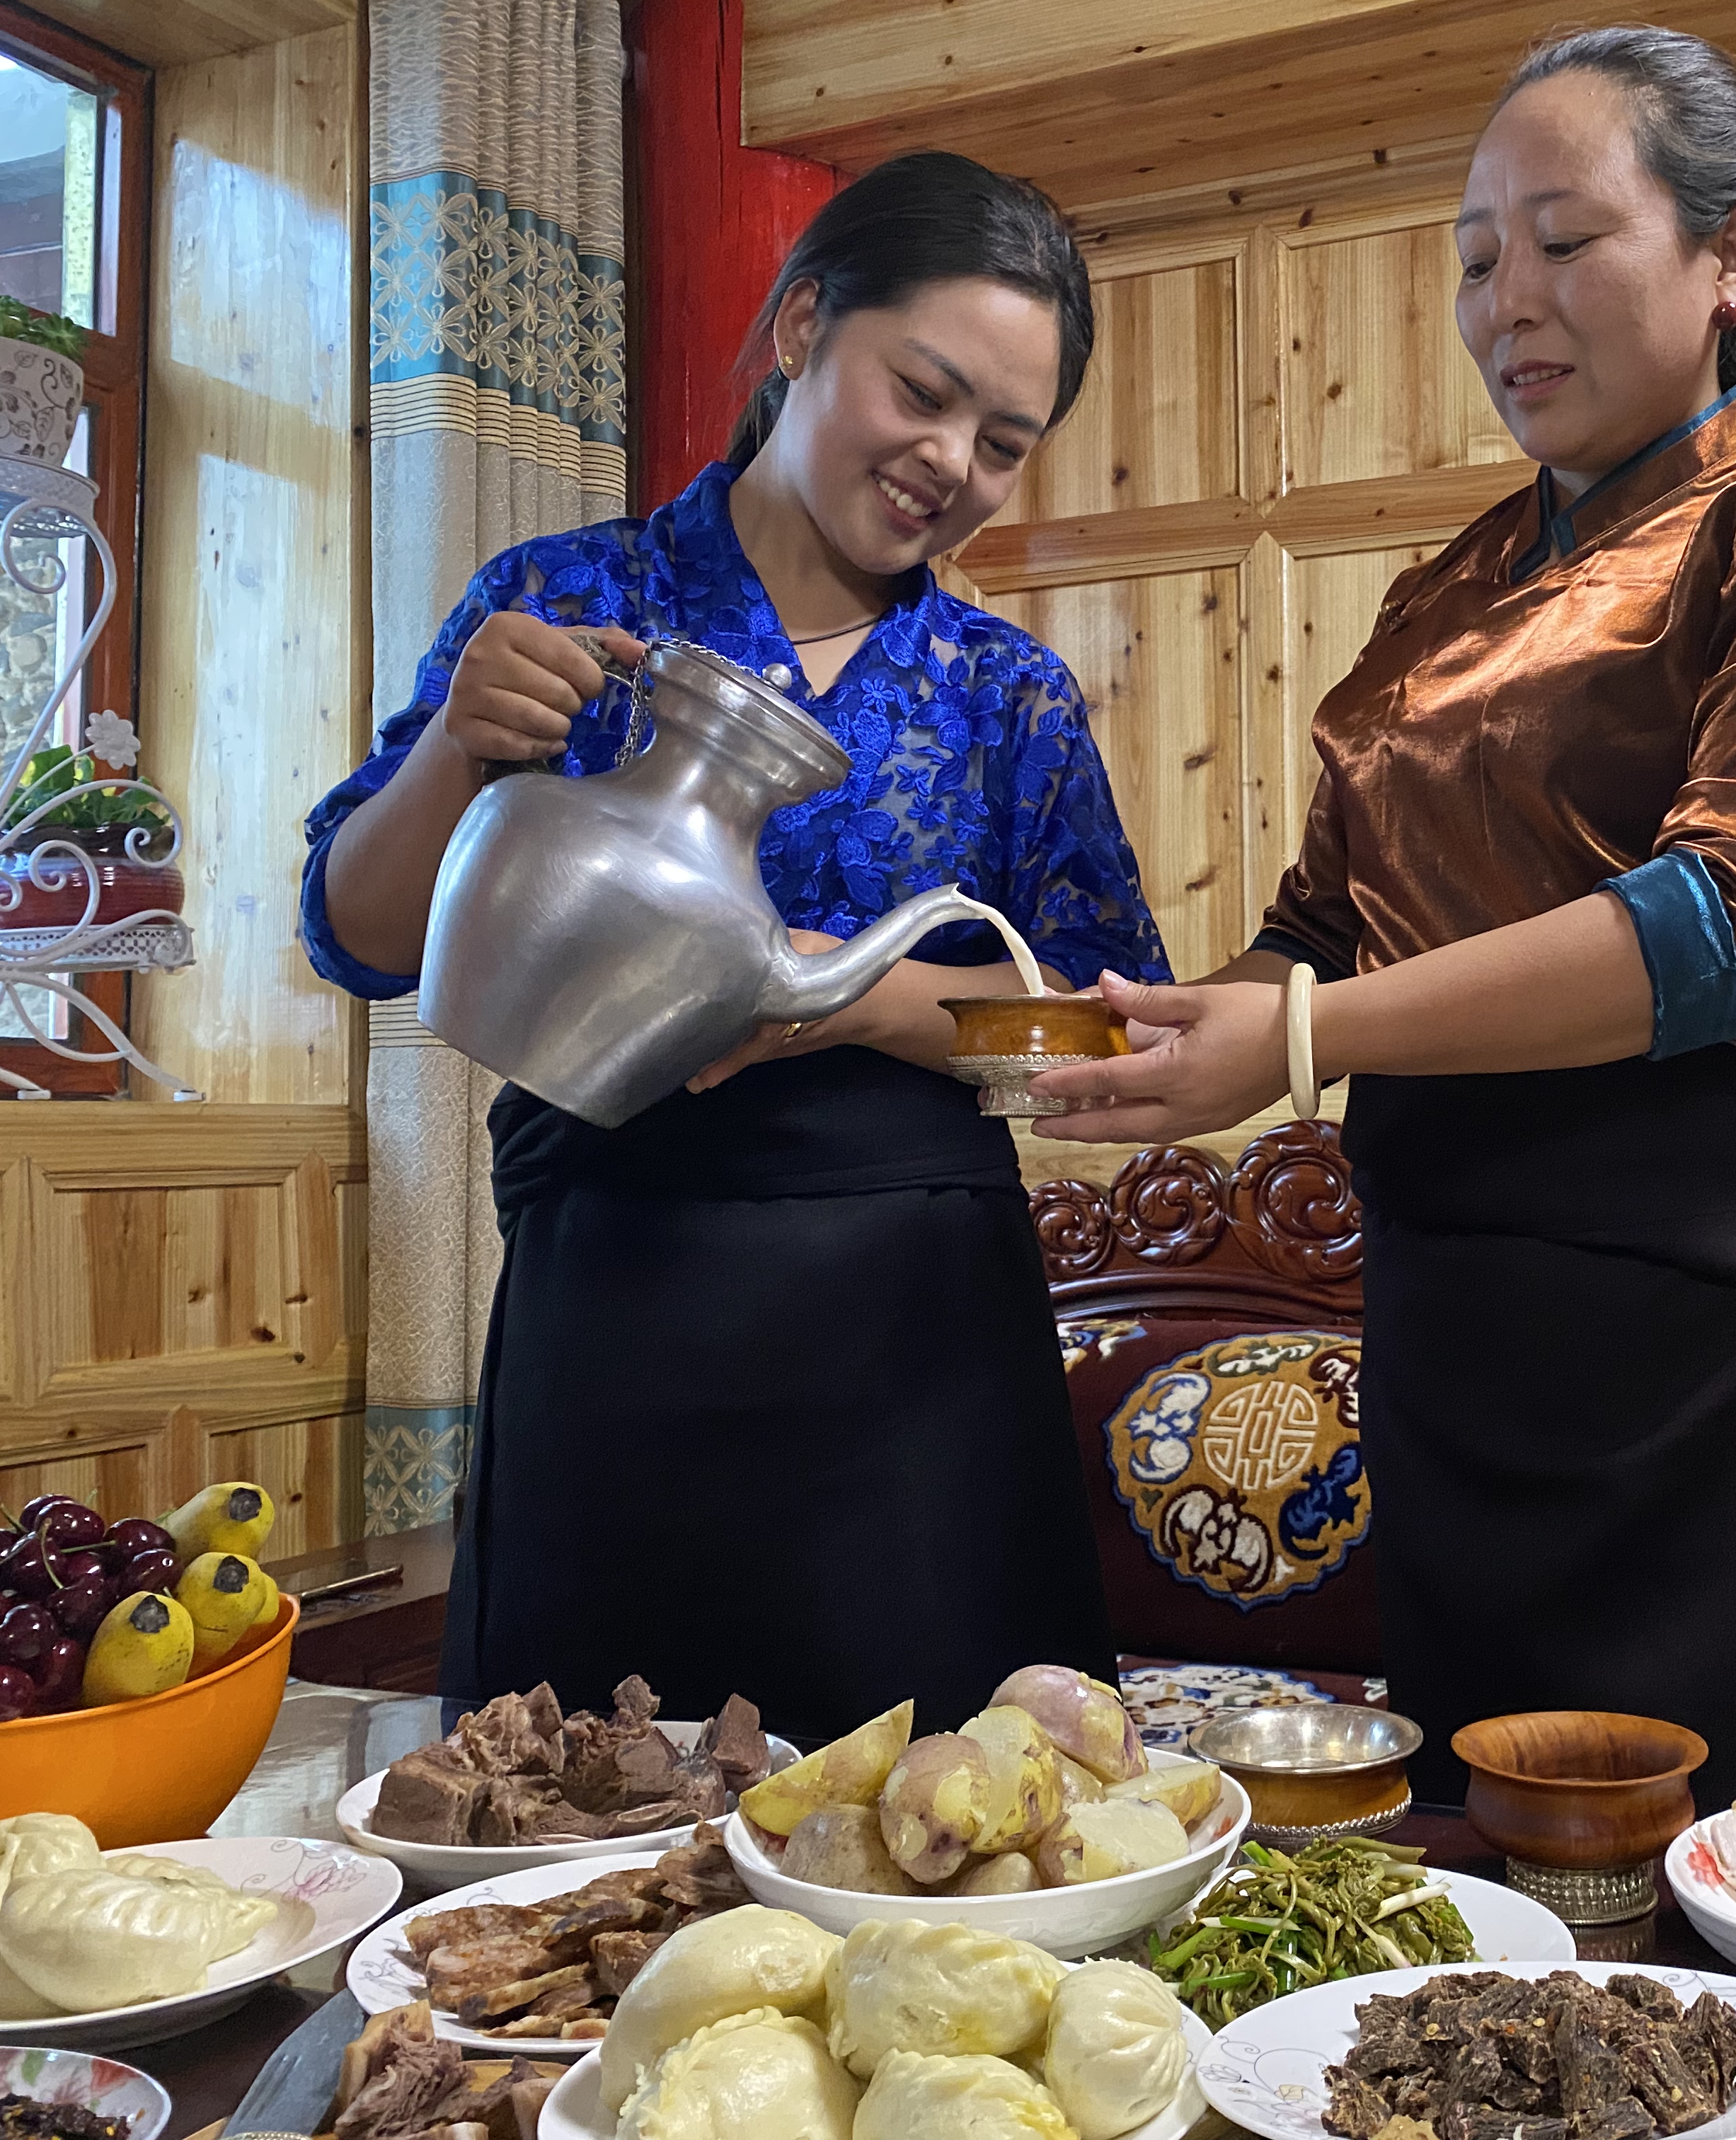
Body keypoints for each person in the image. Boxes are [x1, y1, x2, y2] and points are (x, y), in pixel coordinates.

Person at [1035, 29, 1736, 1805]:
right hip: (1469, 1349)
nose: (1505, 301)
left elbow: (1729, 924)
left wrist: (1300, 1039)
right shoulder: (1442, 595)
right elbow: (1327, 926)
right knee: (1494, 1899)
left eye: (1564, 239)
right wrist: (1173, 1037)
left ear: (1730, 254)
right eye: (1473, 260)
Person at [302, 152, 1171, 1742]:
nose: (951, 464)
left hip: (919, 1337)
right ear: (802, 327)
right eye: (924, 393)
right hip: (614, 1296)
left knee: (951, 1820)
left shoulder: (1006, 692)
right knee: (585, 1813)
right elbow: (355, 938)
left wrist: (853, 999)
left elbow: (1098, 1026)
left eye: (1003, 443)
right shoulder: (568, 598)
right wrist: (455, 755)